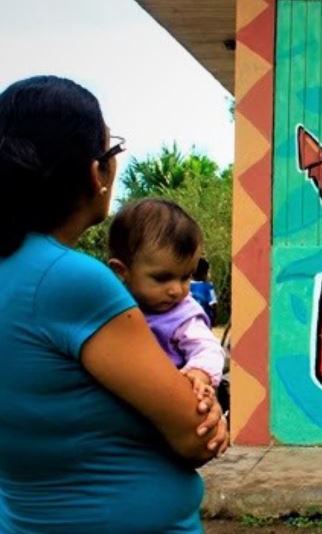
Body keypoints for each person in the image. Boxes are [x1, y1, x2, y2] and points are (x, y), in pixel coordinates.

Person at [0, 76, 228, 533]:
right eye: (112, 152)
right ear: (96, 173)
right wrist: (204, 411)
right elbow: (195, 437)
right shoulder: (71, 280)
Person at [108, 199, 226, 393]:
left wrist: (197, 375)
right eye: (162, 278)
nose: (177, 290)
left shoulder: (182, 315)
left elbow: (208, 349)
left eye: (186, 277)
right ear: (121, 271)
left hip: (167, 395)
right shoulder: (110, 305)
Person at [190, 256, 218, 326]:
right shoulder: (208, 287)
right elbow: (214, 305)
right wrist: (214, 319)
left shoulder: (187, 286)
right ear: (204, 273)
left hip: (189, 322)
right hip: (204, 322)